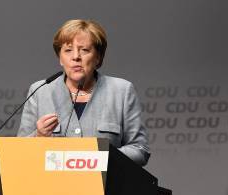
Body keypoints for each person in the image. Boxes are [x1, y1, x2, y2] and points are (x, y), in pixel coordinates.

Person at [17, 19, 150, 167]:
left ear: (98, 57)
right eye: (68, 50)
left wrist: (97, 159)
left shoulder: (121, 91)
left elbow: (139, 150)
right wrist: (39, 137)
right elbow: (18, 153)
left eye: (84, 50)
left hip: (105, 187)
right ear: (60, 58)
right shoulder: (40, 90)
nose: (75, 57)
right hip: (52, 188)